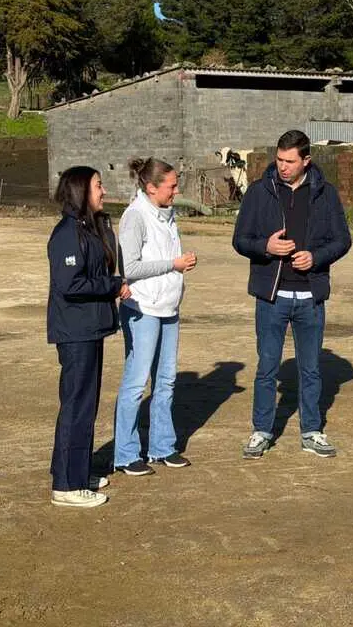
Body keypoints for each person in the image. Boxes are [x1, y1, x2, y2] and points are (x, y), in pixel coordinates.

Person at [232, 129, 352, 459]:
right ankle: (261, 430)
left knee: (311, 368)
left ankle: (312, 431)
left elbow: (342, 240)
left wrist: (317, 257)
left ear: (306, 161)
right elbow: (240, 240)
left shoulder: (325, 194)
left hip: (310, 297)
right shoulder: (259, 192)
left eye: (290, 161)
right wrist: (265, 247)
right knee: (267, 367)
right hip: (271, 296)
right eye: (279, 160)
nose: (283, 167)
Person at [47, 166, 130, 508]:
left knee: (85, 404)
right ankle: (67, 486)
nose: (104, 190)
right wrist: (113, 286)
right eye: (98, 185)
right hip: (76, 331)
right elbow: (71, 284)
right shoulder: (67, 233)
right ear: (82, 189)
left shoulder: (89, 228)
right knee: (77, 406)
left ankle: (75, 472)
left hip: (90, 327)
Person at [113, 157, 197, 476]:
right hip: (142, 309)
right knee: (136, 384)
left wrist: (179, 267)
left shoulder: (167, 215)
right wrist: (172, 265)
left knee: (166, 381)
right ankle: (125, 453)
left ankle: (162, 447)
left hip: (169, 308)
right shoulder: (134, 217)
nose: (176, 191)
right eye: (172, 185)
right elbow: (130, 268)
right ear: (151, 187)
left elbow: (166, 257)